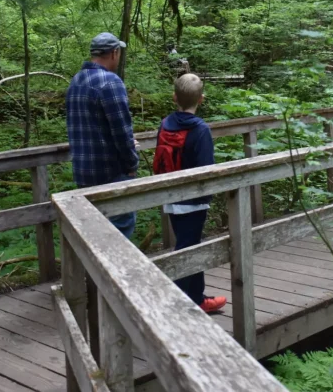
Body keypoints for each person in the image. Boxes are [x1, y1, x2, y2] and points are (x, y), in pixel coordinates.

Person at [153, 74, 228, 314]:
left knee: (189, 244)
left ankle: (197, 298)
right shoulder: (200, 129)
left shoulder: (165, 124)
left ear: (174, 97)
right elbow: (207, 167)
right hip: (194, 200)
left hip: (171, 196)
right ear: (202, 99)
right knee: (188, 248)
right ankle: (177, 303)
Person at [66, 33, 140, 238]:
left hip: (83, 174)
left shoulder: (76, 81)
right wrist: (132, 165)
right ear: (114, 53)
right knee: (118, 237)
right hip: (111, 174)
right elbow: (122, 132)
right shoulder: (110, 83)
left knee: (94, 237)